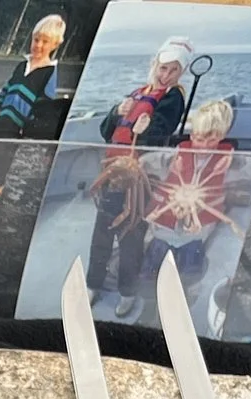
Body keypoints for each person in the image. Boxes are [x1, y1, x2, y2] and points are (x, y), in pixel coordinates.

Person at [88, 38, 190, 315]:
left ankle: (127, 291)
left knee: (131, 233)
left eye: (173, 71)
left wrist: (145, 129)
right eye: (163, 67)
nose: (165, 75)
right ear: (155, 64)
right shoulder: (137, 92)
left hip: (141, 176)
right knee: (102, 230)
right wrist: (114, 113)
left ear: (181, 74)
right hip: (114, 170)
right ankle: (93, 283)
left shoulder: (173, 98)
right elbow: (106, 131)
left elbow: (158, 134)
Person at [145, 96, 238, 305]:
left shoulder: (227, 158)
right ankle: (151, 290)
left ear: (223, 136)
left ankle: (190, 290)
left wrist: (232, 158)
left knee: (191, 258)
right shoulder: (179, 153)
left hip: (199, 222)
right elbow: (149, 163)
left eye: (210, 139)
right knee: (157, 253)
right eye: (198, 137)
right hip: (169, 217)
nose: (202, 146)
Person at [0, 14, 65, 204]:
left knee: (4, 156)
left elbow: (44, 106)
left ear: (55, 45)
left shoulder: (49, 72)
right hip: (3, 118)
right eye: (36, 39)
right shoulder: (23, 64)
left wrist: (30, 125)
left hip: (19, 124)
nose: (38, 45)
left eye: (45, 41)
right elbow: (7, 87)